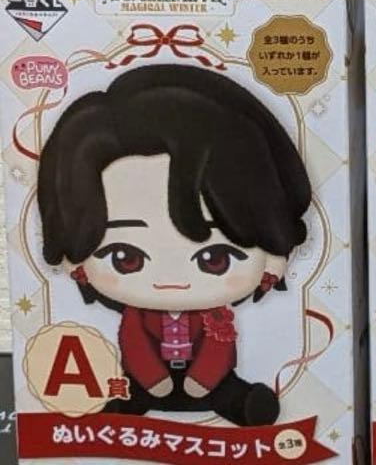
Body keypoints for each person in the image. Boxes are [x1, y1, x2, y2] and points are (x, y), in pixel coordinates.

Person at [37, 65, 312, 426]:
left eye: (214, 258)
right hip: (148, 380)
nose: (172, 281)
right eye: (126, 258)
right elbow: (134, 343)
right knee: (130, 394)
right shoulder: (138, 317)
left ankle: (242, 405)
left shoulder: (217, 317)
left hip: (210, 381)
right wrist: (154, 379)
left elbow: (218, 347)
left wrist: (203, 380)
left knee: (228, 392)